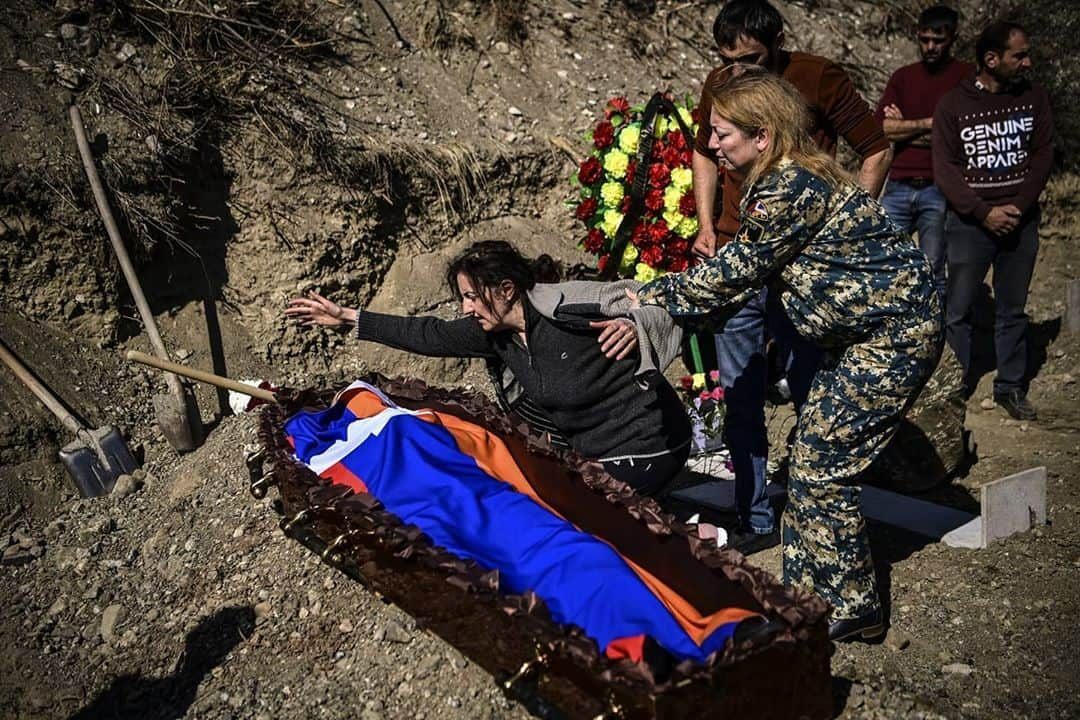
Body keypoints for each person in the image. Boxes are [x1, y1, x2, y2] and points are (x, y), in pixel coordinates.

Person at [634, 68, 942, 641]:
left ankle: (850, 609)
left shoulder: (788, 187)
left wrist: (645, 296)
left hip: (892, 335)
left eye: (723, 133)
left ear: (764, 137)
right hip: (863, 336)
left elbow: (733, 274)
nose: (713, 145)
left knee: (824, 464)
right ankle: (809, 598)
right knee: (811, 465)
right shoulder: (784, 176)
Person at [690, 0, 892, 553]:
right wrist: (707, 223)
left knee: (812, 389)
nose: (740, 72)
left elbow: (875, 151)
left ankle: (818, 511)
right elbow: (703, 152)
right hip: (738, 253)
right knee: (739, 391)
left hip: (803, 265)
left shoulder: (818, 77)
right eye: (728, 60)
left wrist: (840, 228)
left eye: (752, 58)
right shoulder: (722, 81)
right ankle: (755, 517)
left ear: (778, 39)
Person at [284, 241, 692, 496]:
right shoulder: (494, 333)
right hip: (595, 452)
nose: (466, 308)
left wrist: (634, 325)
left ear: (506, 290)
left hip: (651, 444)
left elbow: (659, 298)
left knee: (573, 509)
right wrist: (349, 318)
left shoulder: (565, 308)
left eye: (472, 297)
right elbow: (429, 334)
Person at [933, 21, 1055, 420]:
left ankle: (1010, 387)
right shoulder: (954, 104)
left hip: (1020, 221)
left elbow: (1042, 156)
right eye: (1018, 55)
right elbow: (946, 169)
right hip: (970, 225)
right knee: (959, 310)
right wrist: (983, 213)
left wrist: (1017, 207)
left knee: (1012, 308)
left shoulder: (1033, 98)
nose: (1027, 62)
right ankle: (954, 386)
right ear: (991, 59)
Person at [876, 4, 972, 305]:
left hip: (939, 187)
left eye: (938, 40)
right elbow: (883, 130)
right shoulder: (903, 77)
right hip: (897, 185)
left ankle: (935, 333)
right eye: (925, 39)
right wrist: (933, 123)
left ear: (952, 39)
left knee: (932, 267)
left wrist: (906, 126)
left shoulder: (965, 78)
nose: (930, 47)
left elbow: (961, 138)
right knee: (886, 264)